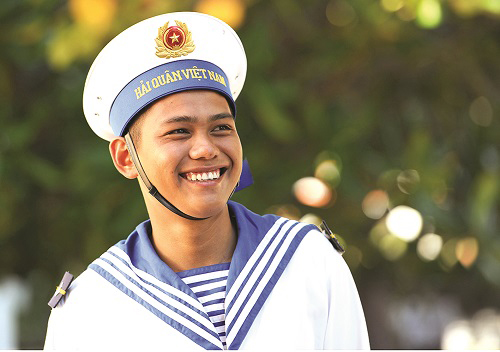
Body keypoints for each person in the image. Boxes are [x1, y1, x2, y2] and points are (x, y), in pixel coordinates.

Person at [44, 12, 370, 350]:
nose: (205, 149)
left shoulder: (309, 260)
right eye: (179, 132)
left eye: (221, 128)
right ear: (127, 158)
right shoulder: (90, 307)